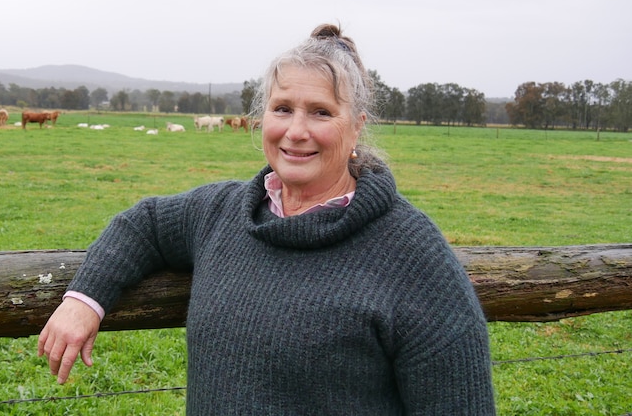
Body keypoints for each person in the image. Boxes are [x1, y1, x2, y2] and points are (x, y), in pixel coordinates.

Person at [38, 24, 496, 415]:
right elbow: (145, 224)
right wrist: (85, 299)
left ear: (356, 126)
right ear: (262, 118)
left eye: (321, 112)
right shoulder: (221, 213)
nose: (296, 132)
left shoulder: (412, 255)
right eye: (282, 109)